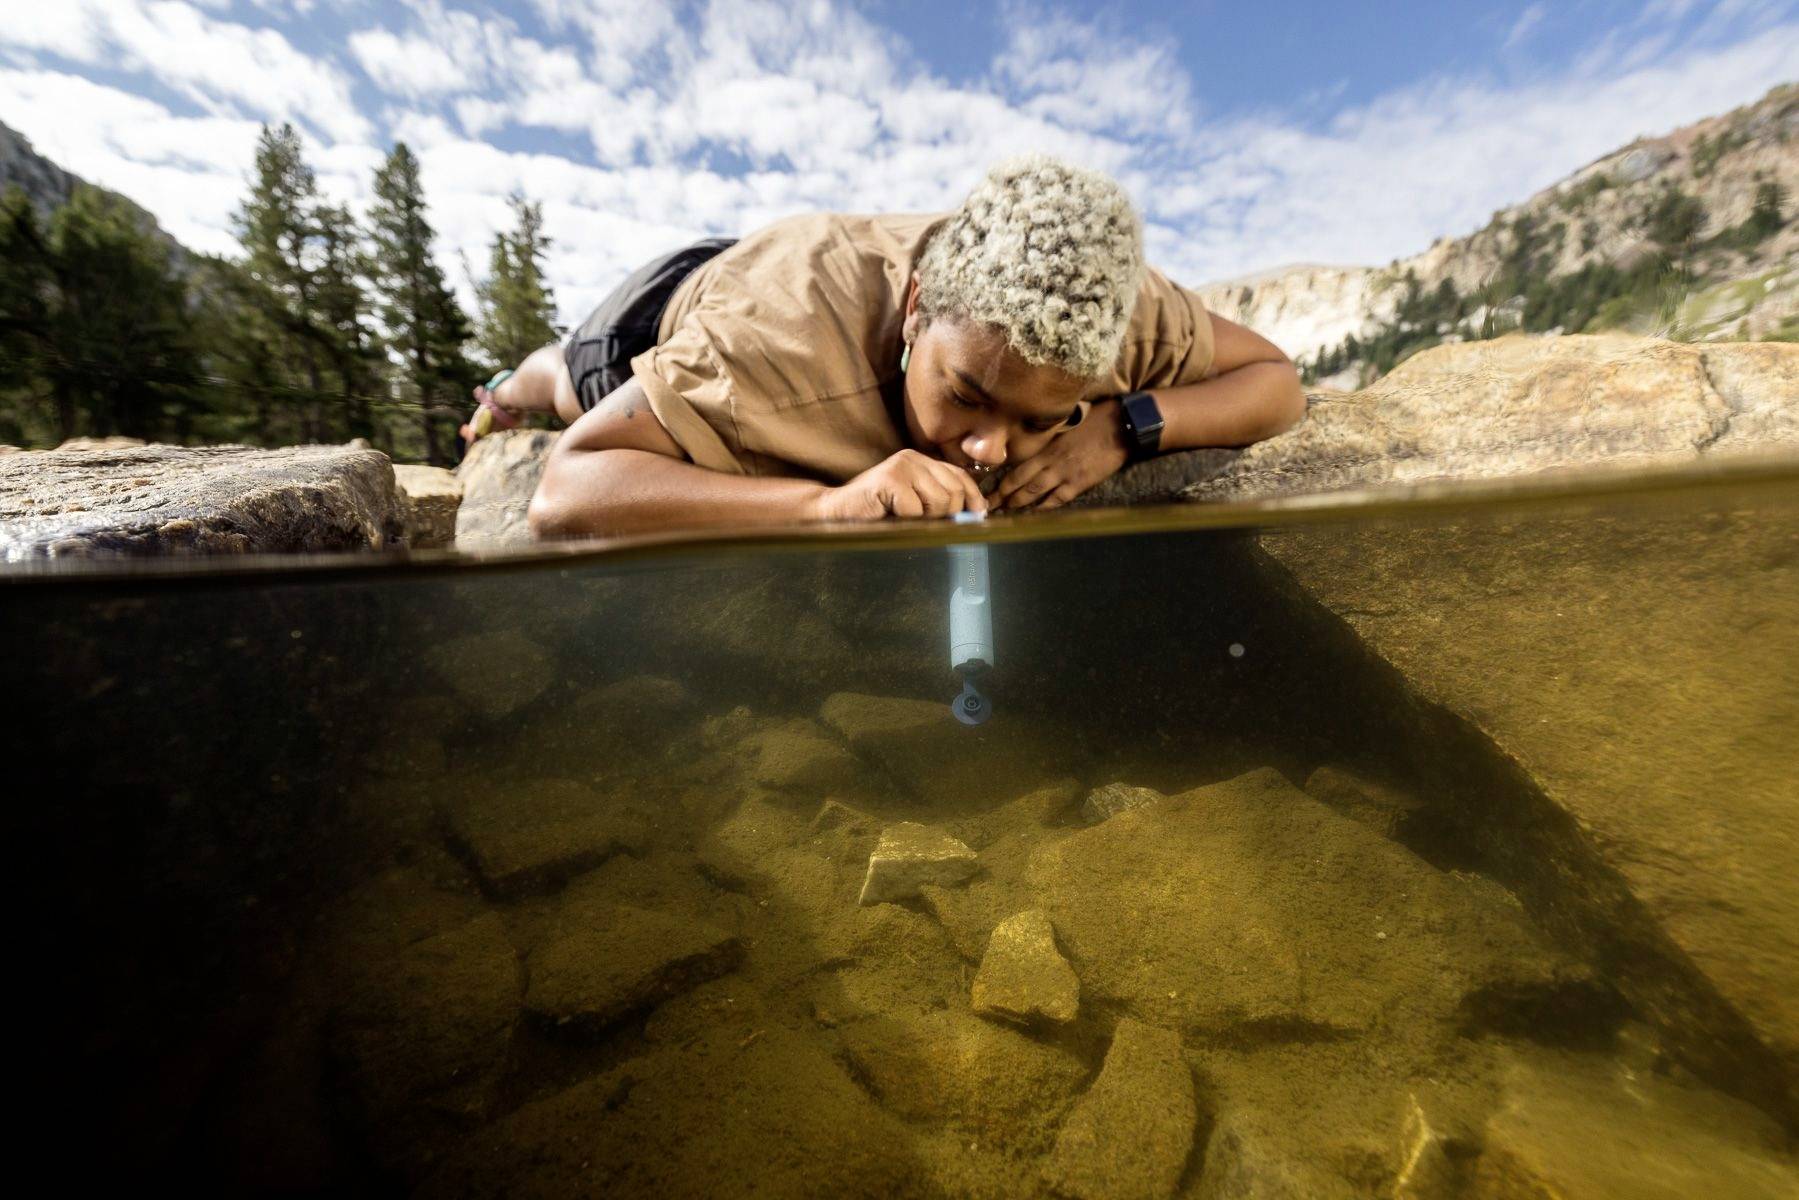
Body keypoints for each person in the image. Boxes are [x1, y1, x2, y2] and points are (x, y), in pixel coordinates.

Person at [465, 155, 1305, 537]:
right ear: (915, 310)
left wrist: (1126, 429)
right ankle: (504, 390)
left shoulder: (1104, 307)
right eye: (969, 394)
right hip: (661, 314)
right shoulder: (772, 342)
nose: (987, 449)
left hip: (770, 270)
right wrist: (822, 506)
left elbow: (1276, 381)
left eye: (1043, 419)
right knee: (562, 382)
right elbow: (567, 490)